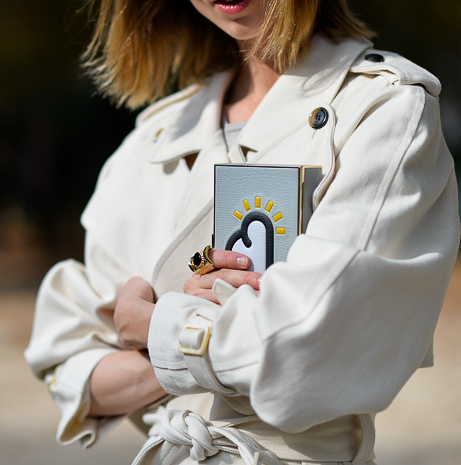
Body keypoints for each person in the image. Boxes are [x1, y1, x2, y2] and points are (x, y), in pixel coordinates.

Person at [24, 0, 461, 463]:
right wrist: (199, 340)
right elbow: (70, 368)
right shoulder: (154, 138)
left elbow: (306, 353)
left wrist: (158, 327)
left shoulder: (384, 107)